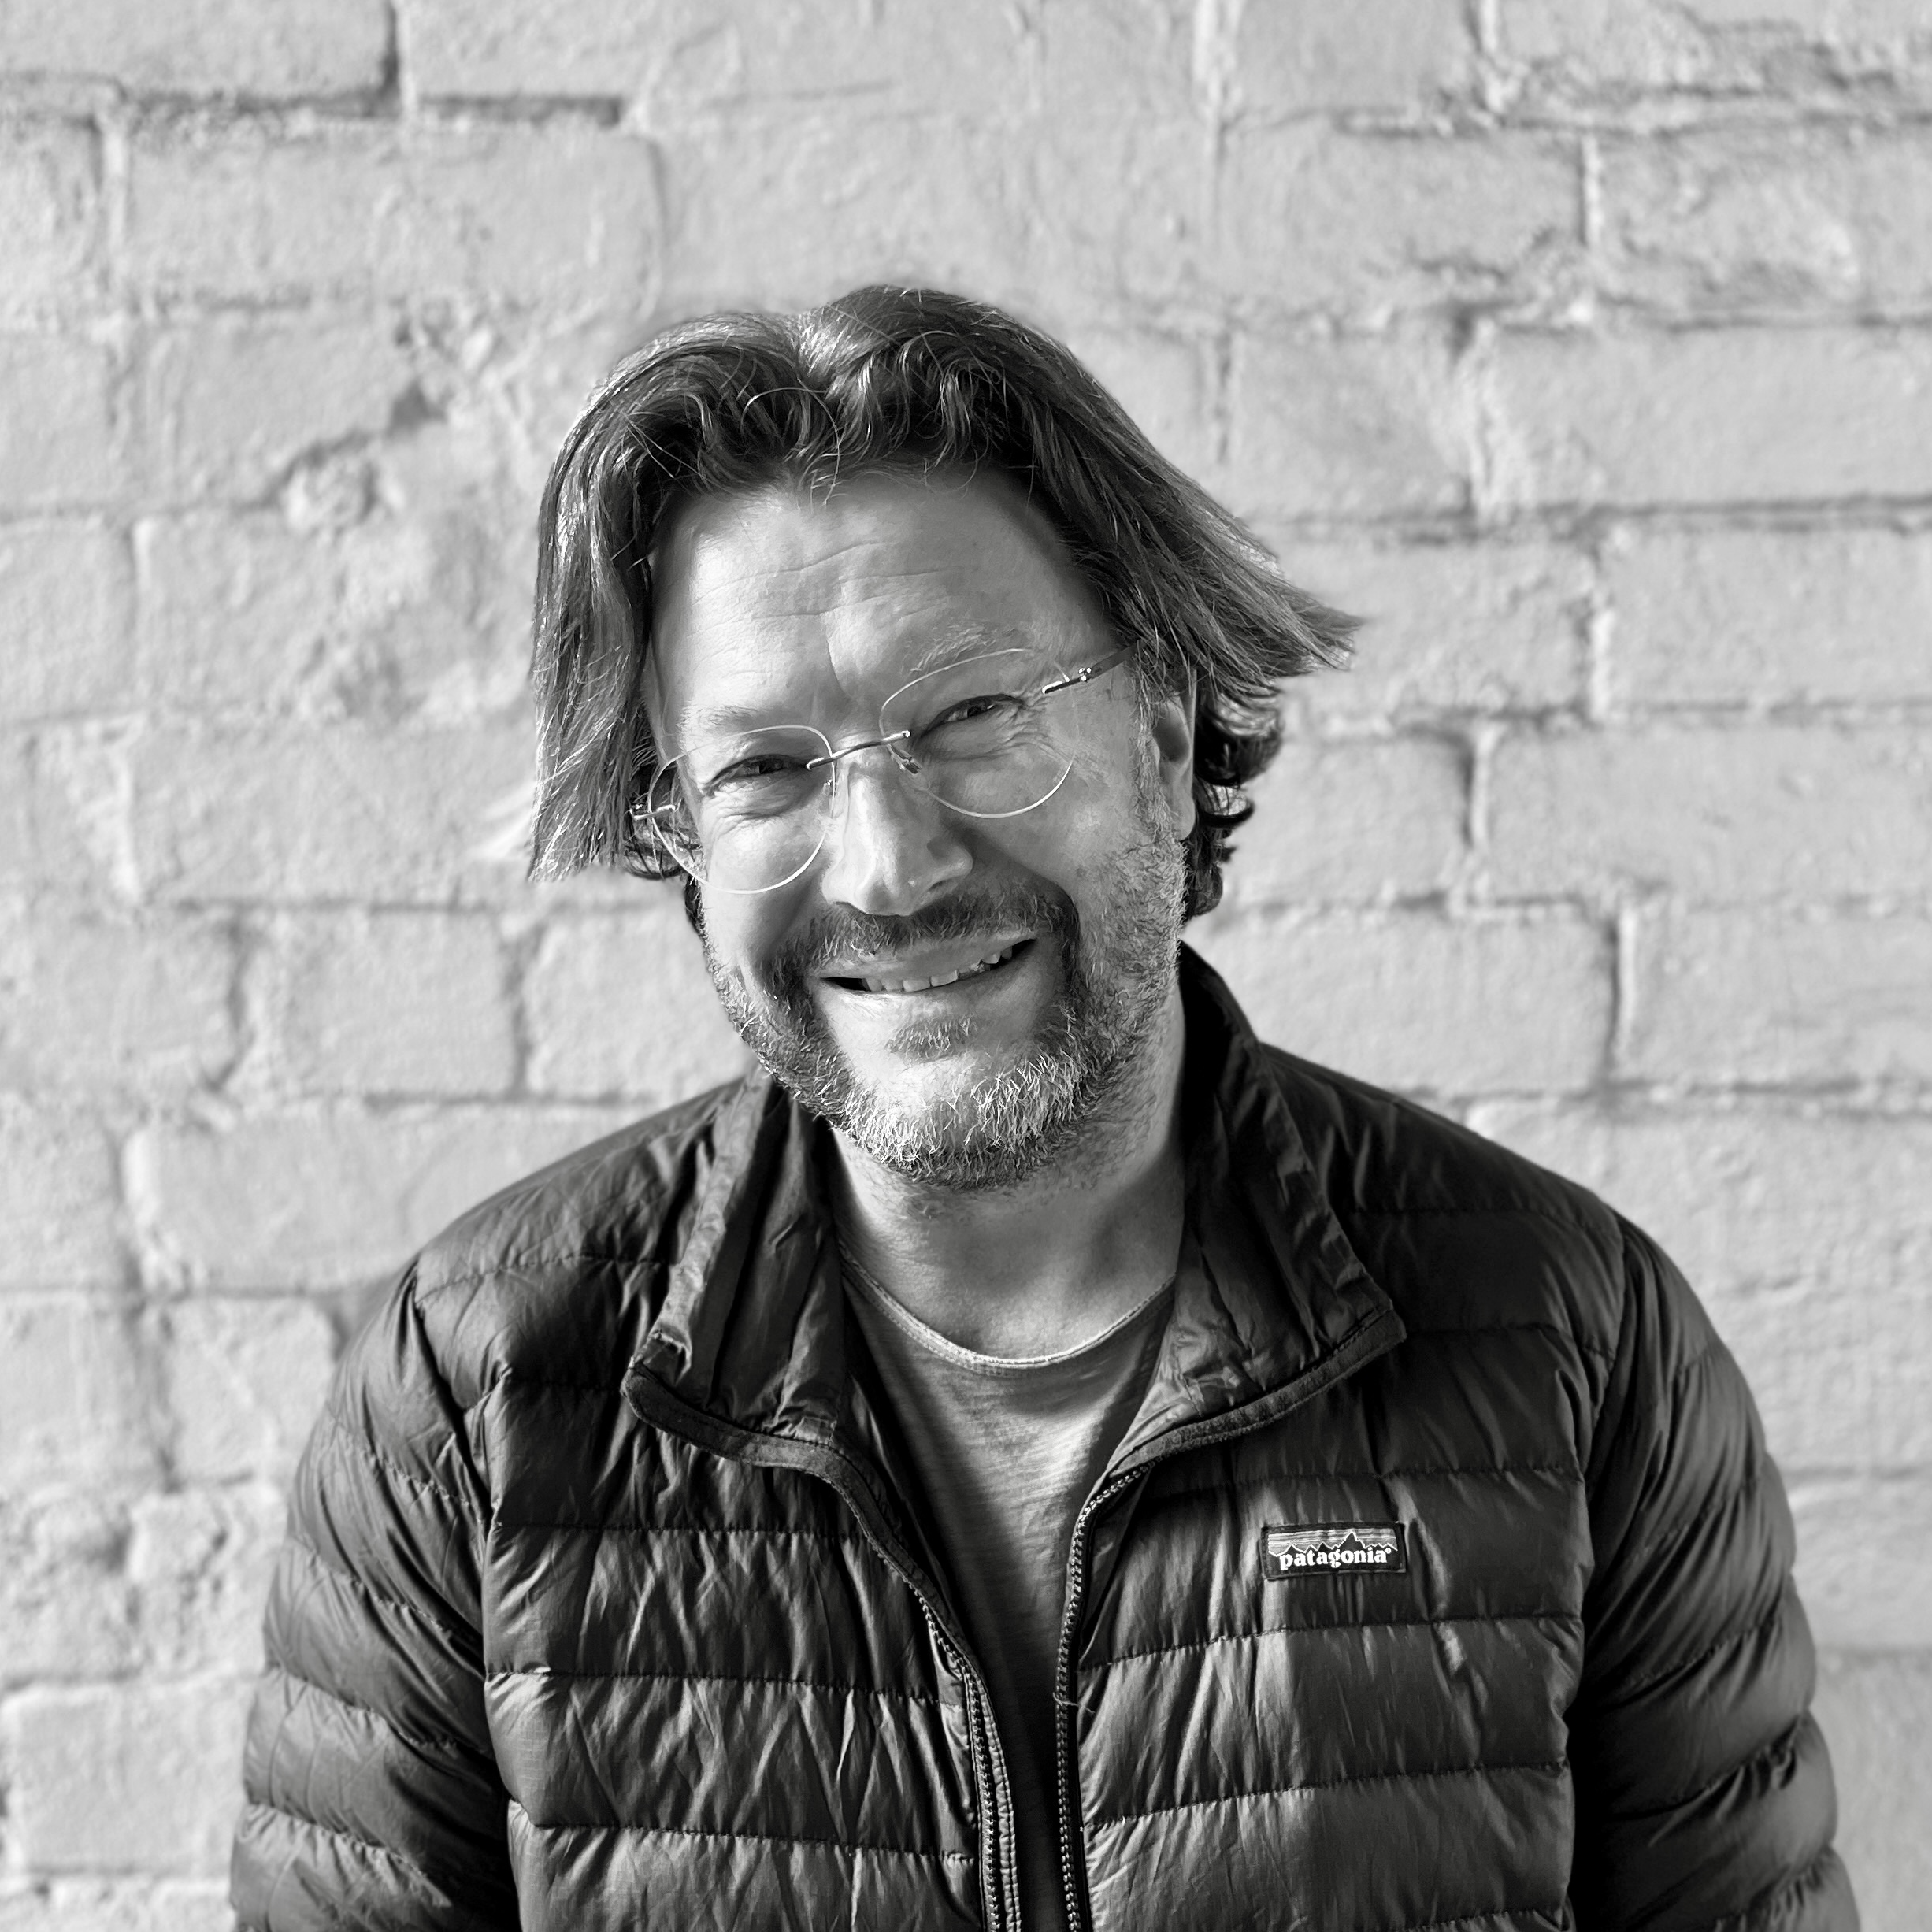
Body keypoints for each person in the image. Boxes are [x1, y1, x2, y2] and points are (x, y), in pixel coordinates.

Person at [230, 287, 1853, 1931]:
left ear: (1159, 726)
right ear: (679, 829)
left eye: (972, 718)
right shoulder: (474, 1393)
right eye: (765, 770)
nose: (886, 863)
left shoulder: (1570, 1342)